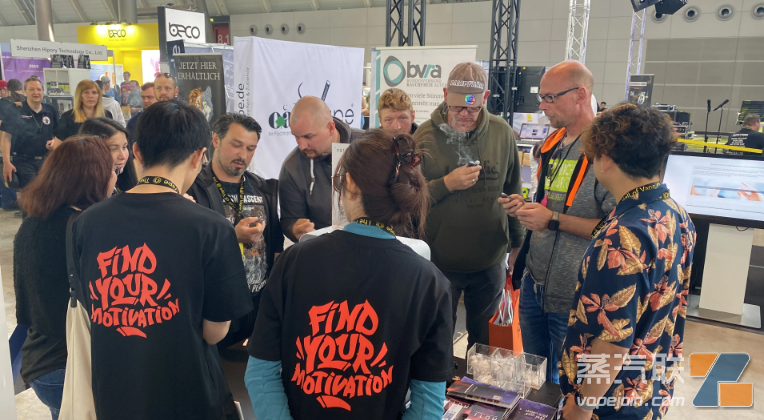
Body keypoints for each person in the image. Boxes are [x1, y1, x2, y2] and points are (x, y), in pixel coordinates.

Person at [245, 129, 453, 420]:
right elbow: (428, 403)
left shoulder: (295, 261)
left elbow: (261, 374)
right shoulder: (429, 281)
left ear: (351, 184)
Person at [69, 100, 252, 420]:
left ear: (137, 152)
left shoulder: (86, 222)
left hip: (115, 395)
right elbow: (215, 332)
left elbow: (91, 307)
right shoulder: (211, 228)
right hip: (187, 396)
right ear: (199, 155)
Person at [559, 103, 696, 420]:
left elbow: (613, 340)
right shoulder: (674, 213)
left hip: (611, 401)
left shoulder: (622, 237)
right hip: (650, 386)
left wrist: (583, 405)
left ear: (606, 159)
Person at [501, 61, 616, 384]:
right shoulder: (554, 144)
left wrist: (552, 220)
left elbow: (616, 230)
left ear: (580, 94)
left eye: (550, 98)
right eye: (542, 97)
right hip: (535, 283)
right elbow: (549, 204)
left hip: (576, 295)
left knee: (573, 384)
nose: (542, 106)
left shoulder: (607, 154)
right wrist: (527, 208)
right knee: (534, 376)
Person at [415, 62, 524, 352]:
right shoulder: (424, 137)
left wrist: (517, 244)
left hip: (489, 260)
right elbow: (410, 198)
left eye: (472, 108)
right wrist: (446, 184)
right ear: (444, 95)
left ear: (485, 98)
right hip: (439, 260)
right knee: (436, 341)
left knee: (485, 346)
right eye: (457, 107)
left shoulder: (501, 133)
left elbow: (513, 189)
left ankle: (476, 382)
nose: (464, 114)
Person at [13, 136, 117, 420]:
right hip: (73, 363)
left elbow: (26, 305)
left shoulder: (32, 224)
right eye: (111, 170)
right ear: (94, 178)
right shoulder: (87, 229)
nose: (114, 177)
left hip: (39, 361)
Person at [188, 113, 283, 348]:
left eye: (251, 148)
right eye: (236, 145)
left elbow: (275, 245)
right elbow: (188, 247)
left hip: (257, 303)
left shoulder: (263, 188)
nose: (243, 155)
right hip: (214, 305)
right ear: (216, 140)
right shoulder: (194, 188)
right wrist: (232, 237)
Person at [279, 96, 363, 242]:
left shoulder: (368, 146)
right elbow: (290, 219)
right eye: (296, 137)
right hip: (325, 247)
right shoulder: (292, 168)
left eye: (308, 136)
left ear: (330, 128)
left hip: (375, 242)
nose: (302, 146)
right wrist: (295, 229)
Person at [1, 76, 59, 189]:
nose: (36, 92)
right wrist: (6, 162)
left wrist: (54, 142)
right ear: (24, 91)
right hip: (23, 161)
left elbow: (57, 134)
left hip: (47, 161)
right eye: (31, 89)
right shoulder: (15, 109)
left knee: (49, 193)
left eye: (38, 89)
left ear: (43, 91)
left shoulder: (50, 110)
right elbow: (6, 137)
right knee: (32, 193)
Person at [79, 117, 139, 194]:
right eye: (114, 149)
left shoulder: (125, 183)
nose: (123, 156)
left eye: (124, 147)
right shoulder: (81, 193)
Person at [53, 80, 113, 145]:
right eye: (86, 92)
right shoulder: (67, 117)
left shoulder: (106, 115)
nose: (90, 96)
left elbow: (112, 141)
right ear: (80, 96)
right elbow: (57, 146)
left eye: (94, 92)